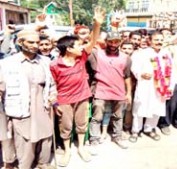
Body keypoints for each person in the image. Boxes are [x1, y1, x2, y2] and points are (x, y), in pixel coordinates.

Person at [50, 7, 105, 167]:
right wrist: (55, 103)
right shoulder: (55, 65)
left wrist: (97, 24)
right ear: (68, 49)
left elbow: (93, 41)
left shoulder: (81, 58)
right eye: (78, 45)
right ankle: (67, 150)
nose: (82, 47)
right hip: (64, 101)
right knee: (66, 127)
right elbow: (51, 86)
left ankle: (81, 147)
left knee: (82, 125)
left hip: (82, 97)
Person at [0, 29, 56, 169]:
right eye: (31, 42)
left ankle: (43, 164)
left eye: (37, 42)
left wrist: (53, 95)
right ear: (20, 42)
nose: (35, 45)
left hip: (42, 109)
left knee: (45, 139)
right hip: (20, 110)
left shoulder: (45, 61)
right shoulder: (7, 63)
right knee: (25, 144)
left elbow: (52, 84)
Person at [88, 32, 132, 149]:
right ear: (105, 41)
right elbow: (89, 45)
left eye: (116, 41)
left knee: (118, 117)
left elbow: (127, 76)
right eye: (110, 41)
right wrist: (97, 25)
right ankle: (94, 140)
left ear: (120, 42)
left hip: (119, 91)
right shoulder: (96, 54)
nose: (113, 44)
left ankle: (117, 136)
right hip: (100, 91)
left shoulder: (126, 58)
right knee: (97, 117)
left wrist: (128, 93)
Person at [130, 31, 174, 142]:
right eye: (156, 40)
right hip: (146, 85)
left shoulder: (166, 53)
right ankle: (136, 130)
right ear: (150, 41)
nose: (159, 42)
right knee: (139, 108)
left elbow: (172, 71)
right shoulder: (142, 53)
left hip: (161, 87)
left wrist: (170, 86)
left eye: (161, 40)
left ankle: (149, 129)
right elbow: (134, 67)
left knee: (156, 108)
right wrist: (140, 74)